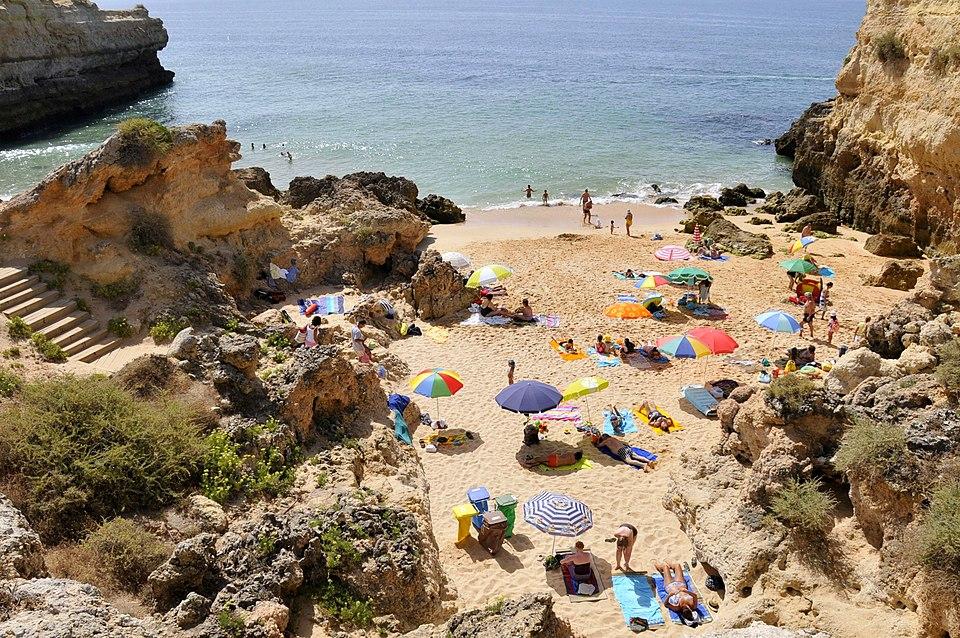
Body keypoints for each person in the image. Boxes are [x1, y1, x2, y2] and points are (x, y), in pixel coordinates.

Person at [654, 562, 701, 626]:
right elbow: (695, 596)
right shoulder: (693, 606)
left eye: (684, 608)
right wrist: (687, 591)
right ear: (690, 610)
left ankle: (658, 567)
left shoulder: (677, 608)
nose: (685, 606)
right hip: (681, 583)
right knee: (677, 565)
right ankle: (669, 564)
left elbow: (666, 604)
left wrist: (670, 595)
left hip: (670, 586)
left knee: (665, 567)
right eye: (687, 607)